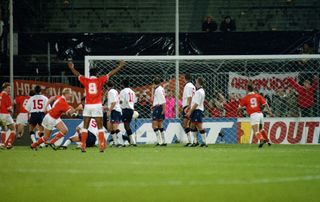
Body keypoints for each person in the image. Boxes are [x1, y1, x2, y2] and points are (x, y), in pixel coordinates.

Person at [67, 59, 125, 152]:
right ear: (97, 74)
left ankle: (83, 145)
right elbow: (110, 73)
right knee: (100, 126)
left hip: (88, 105)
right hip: (97, 105)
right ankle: (101, 146)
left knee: (85, 126)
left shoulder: (86, 80)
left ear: (89, 74)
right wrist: (120, 66)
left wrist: (71, 68)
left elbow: (77, 74)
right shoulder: (100, 80)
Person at [186, 77, 207, 147]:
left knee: (199, 126)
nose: (195, 82)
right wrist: (189, 107)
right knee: (192, 125)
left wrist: (190, 112)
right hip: (195, 110)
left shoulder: (199, 92)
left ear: (198, 82)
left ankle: (204, 142)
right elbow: (194, 102)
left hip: (197, 110)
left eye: (196, 81)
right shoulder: (199, 91)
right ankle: (195, 142)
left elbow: (196, 103)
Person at [119, 79, 137, 146]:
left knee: (126, 125)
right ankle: (132, 141)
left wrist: (118, 104)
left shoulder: (123, 91)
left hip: (126, 109)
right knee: (127, 125)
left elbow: (121, 101)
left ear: (122, 84)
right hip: (131, 109)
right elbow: (135, 101)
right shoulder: (132, 91)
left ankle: (133, 142)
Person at [106, 80, 123, 147]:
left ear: (107, 86)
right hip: (115, 110)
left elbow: (114, 103)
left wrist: (109, 111)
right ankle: (115, 143)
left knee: (115, 127)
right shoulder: (115, 91)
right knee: (111, 128)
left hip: (115, 110)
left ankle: (121, 143)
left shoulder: (111, 92)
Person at [181, 73, 196, 146]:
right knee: (189, 124)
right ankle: (192, 141)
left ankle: (191, 141)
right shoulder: (193, 86)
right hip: (191, 106)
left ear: (185, 78)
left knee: (185, 124)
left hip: (188, 106)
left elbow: (189, 97)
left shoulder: (187, 86)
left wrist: (188, 107)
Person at [0, 83, 16, 149]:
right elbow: (9, 108)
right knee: (13, 128)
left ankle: (2, 144)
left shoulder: (0, 95)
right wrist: (12, 111)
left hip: (0, 114)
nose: (10, 90)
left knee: (3, 129)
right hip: (5, 114)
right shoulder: (6, 96)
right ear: (5, 88)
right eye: (8, 88)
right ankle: (9, 144)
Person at [151, 77, 166, 146]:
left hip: (158, 108)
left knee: (154, 125)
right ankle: (164, 141)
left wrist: (163, 109)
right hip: (158, 107)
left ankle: (159, 141)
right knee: (160, 124)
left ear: (154, 83)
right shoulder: (161, 88)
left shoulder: (158, 90)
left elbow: (163, 100)